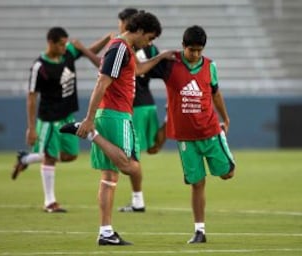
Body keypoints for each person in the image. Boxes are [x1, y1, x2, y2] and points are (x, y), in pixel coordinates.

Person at [60, 11, 175, 245]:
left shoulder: (125, 49)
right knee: (129, 167)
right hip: (116, 115)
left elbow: (140, 70)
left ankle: (105, 232)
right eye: (150, 38)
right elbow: (102, 82)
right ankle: (92, 134)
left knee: (109, 177)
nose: (150, 43)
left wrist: (162, 55)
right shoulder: (120, 48)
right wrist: (90, 120)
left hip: (115, 114)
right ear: (140, 30)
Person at [151, 25, 236, 243]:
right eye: (192, 50)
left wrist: (224, 117)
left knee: (228, 174)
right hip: (185, 138)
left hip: (210, 131)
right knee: (197, 183)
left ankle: (222, 143)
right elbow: (141, 67)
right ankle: (200, 231)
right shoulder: (170, 65)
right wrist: (160, 54)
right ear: (183, 47)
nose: (195, 54)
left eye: (199, 50)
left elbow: (215, 93)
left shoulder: (210, 66)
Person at [11, 27, 109, 213]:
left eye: (66, 43)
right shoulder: (39, 67)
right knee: (50, 157)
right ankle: (50, 202)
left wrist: (106, 39)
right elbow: (32, 97)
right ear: (51, 43)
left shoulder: (67, 54)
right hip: (49, 118)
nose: (66, 47)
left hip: (67, 114)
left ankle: (26, 158)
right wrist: (31, 128)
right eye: (62, 44)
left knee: (71, 155)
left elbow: (88, 51)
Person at [116, 8, 167, 213]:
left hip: (133, 106)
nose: (120, 27)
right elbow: (162, 72)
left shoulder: (127, 46)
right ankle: (167, 122)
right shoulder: (152, 49)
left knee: (130, 156)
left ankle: (138, 201)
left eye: (121, 22)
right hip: (148, 103)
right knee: (146, 150)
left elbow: (108, 71)